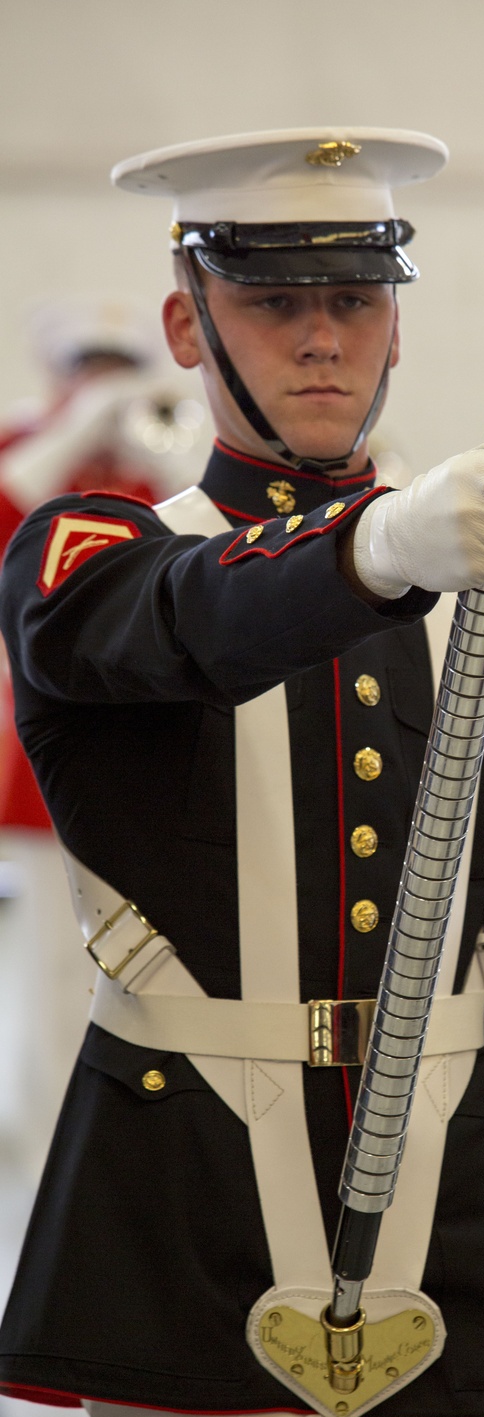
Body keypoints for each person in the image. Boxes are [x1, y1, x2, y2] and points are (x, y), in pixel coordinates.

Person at [0, 128, 484, 1417]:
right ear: (189, 321)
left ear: (398, 321)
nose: (323, 339)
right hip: (188, 1241)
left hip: (468, 1247)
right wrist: (383, 546)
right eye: (273, 302)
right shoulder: (92, 551)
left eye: (355, 299)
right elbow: (191, 618)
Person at [0, 297, 204, 1174]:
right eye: (90, 369)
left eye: (119, 369)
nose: (106, 388)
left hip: (154, 750)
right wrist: (71, 430)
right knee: (50, 954)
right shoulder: (30, 453)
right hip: (39, 753)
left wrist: (153, 449)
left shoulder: (150, 466)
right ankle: (47, 1133)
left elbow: (213, 535)